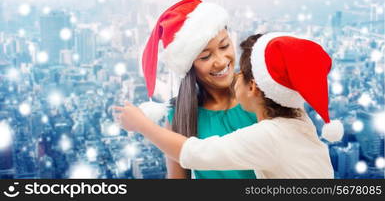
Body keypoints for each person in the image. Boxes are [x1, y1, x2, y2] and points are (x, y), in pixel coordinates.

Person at [114, 32, 344, 178]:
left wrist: (142, 125)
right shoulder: (293, 114)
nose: (224, 63)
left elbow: (197, 153)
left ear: (253, 87)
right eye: (205, 56)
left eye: (224, 46)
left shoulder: (269, 135)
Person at [140, 0, 256, 179]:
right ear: (189, 66)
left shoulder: (258, 92)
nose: (221, 61)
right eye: (205, 57)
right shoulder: (179, 117)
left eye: (225, 45)